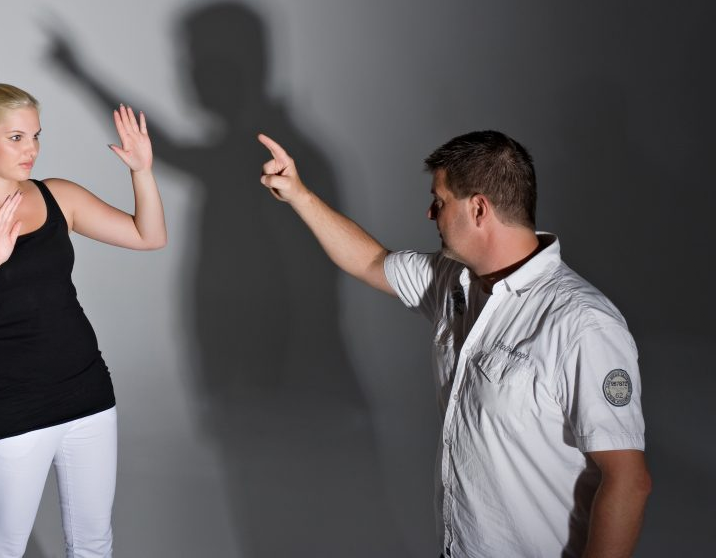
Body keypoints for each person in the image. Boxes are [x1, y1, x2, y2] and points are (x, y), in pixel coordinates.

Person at [257, 129, 651, 558]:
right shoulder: (452, 280)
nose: (430, 213)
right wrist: (299, 195)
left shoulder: (582, 323)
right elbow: (371, 262)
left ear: (478, 208)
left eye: (440, 201)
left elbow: (627, 481)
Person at [0, 83, 166, 558]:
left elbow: (148, 235)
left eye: (35, 136)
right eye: (16, 138)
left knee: (93, 545)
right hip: (12, 410)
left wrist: (143, 172)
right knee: (3, 550)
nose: (30, 149)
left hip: (88, 395)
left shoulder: (58, 196)